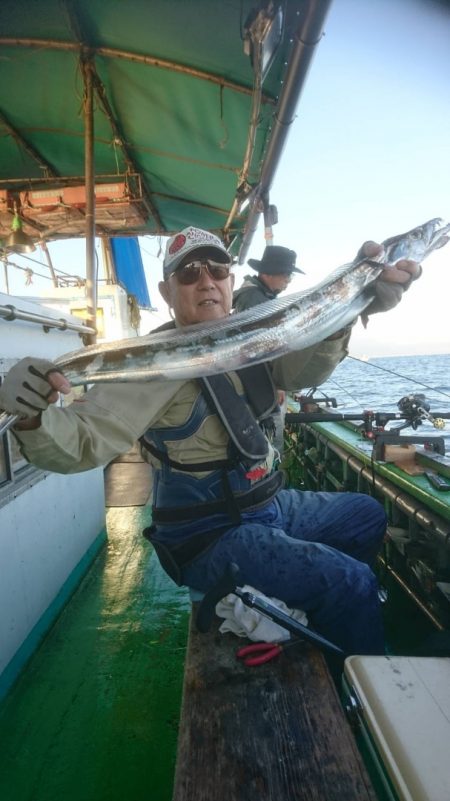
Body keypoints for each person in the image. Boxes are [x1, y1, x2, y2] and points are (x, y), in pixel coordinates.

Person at [0, 226, 422, 656]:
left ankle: (324, 622)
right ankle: (358, 678)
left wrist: (350, 310)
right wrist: (34, 417)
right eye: (188, 274)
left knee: (365, 514)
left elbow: (303, 373)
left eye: (217, 270)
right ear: (167, 291)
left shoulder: (251, 338)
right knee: (353, 581)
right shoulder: (153, 362)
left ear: (231, 282)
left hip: (265, 506)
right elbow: (85, 440)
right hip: (208, 535)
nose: (206, 281)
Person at [232, 245, 304, 453]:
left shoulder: (253, 296)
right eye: (287, 274)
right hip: (260, 387)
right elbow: (263, 347)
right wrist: (278, 384)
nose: (289, 280)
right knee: (271, 445)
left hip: (254, 385)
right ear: (269, 272)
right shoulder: (257, 300)